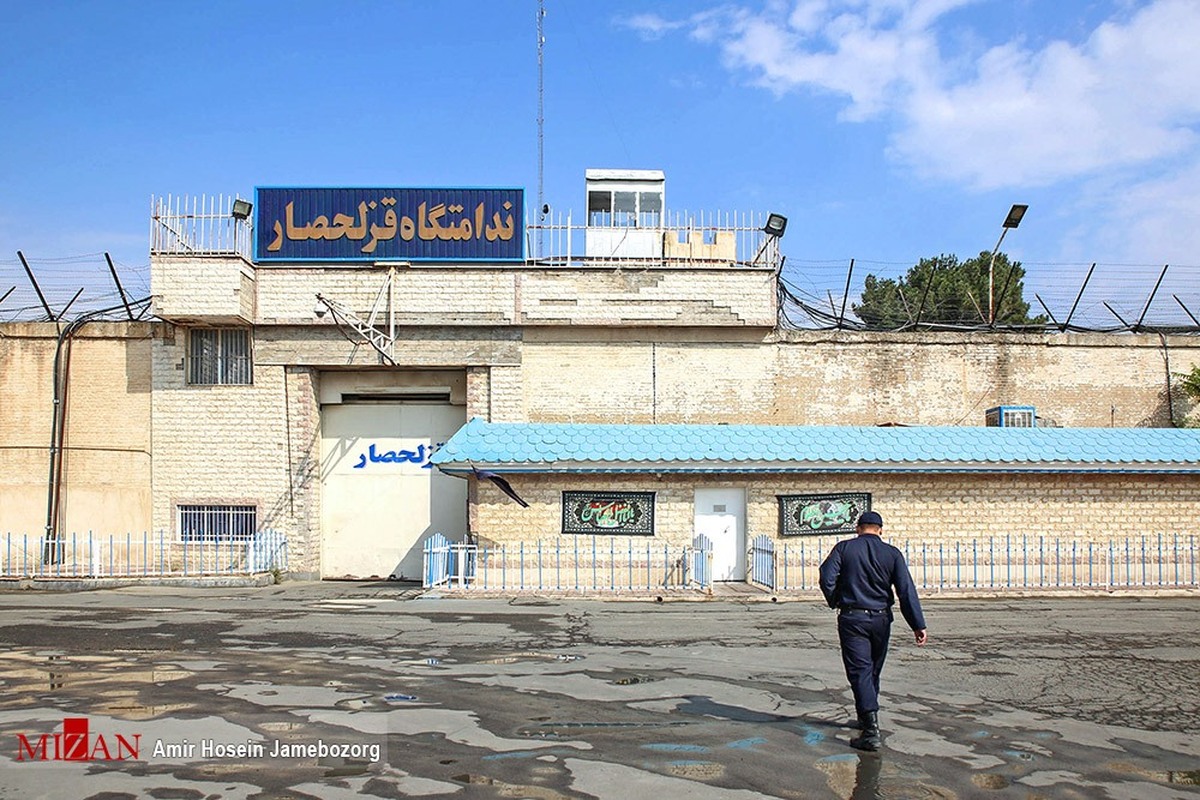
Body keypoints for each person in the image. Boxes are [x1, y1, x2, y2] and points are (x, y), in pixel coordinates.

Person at [819, 510, 927, 751]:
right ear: (880, 530)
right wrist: (917, 624)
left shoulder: (844, 549)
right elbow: (905, 590)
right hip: (881, 619)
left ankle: (870, 730)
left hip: (853, 617)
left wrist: (835, 599)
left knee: (859, 670)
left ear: (858, 528)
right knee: (872, 669)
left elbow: (826, 577)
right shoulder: (892, 554)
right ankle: (866, 715)